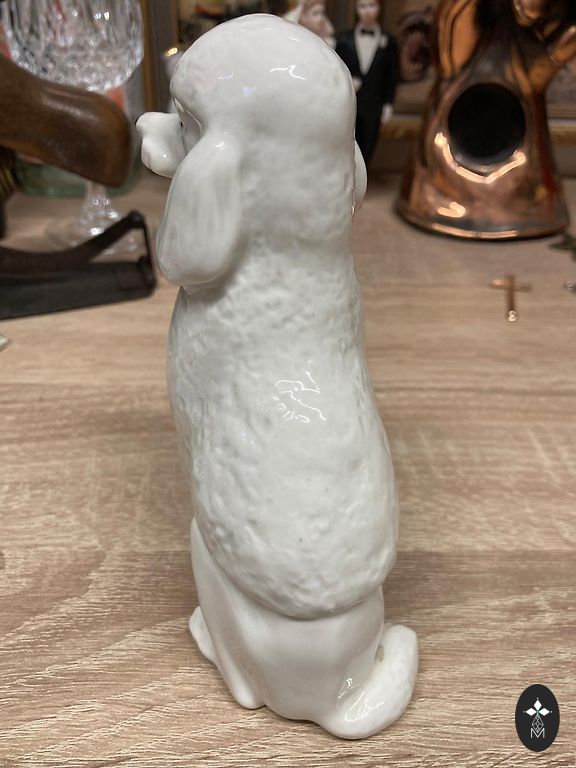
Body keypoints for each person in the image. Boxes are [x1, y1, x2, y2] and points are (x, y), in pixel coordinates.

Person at [336, 0, 398, 164]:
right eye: (363, 6)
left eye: (371, 5)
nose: (368, 11)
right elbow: (336, 70)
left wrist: (388, 103)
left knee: (368, 147)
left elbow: (391, 74)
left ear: (379, 7)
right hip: (350, 104)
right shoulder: (344, 40)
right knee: (347, 146)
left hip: (374, 105)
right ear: (356, 9)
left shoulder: (389, 41)